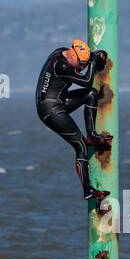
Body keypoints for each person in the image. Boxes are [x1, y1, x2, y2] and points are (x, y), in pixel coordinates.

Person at [36, 39, 110, 201]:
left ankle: (92, 134)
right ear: (71, 54)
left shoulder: (62, 52)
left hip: (58, 101)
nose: (81, 67)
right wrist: (93, 61)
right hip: (50, 110)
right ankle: (88, 191)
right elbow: (86, 81)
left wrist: (93, 57)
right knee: (81, 145)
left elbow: (85, 69)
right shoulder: (62, 66)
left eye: (84, 64)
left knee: (91, 94)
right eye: (80, 63)